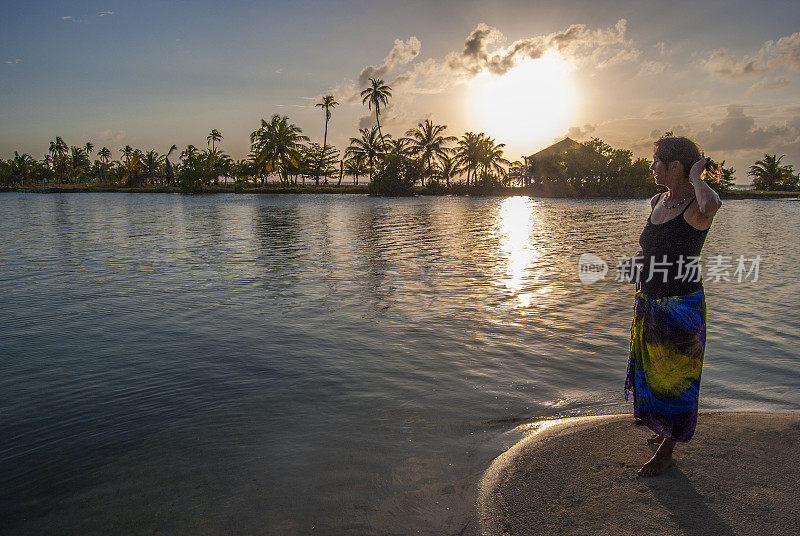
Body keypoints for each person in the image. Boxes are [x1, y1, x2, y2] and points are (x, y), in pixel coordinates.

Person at [624, 136, 723, 477]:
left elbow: (714, 204)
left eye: (656, 162)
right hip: (650, 302)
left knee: (678, 378)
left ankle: (668, 451)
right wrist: (637, 263)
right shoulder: (657, 200)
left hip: (682, 306)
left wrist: (698, 176)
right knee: (653, 372)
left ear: (676, 167)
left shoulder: (697, 205)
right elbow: (649, 247)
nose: (651, 167)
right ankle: (661, 429)